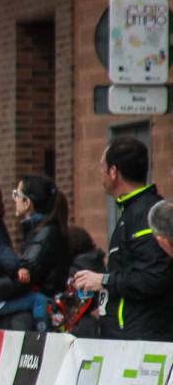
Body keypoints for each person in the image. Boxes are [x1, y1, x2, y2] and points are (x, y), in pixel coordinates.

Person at [72, 137, 173, 340]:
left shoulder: (146, 214)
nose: (100, 174)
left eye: (102, 167)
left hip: (143, 339)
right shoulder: (132, 212)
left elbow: (153, 277)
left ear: (113, 172)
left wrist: (102, 281)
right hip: (126, 335)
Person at [0, 175, 70, 330]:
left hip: (43, 312)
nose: (13, 199)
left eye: (16, 195)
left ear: (27, 203)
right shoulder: (38, 231)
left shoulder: (45, 234)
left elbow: (23, 277)